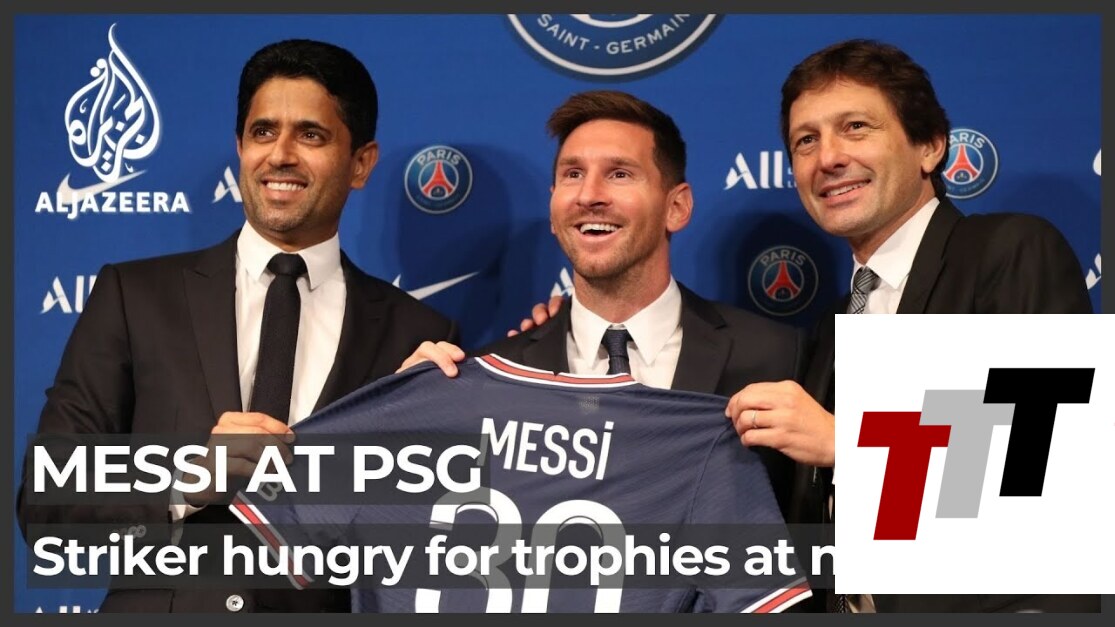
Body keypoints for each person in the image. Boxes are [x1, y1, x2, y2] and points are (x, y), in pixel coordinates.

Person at [17, 39, 458, 612]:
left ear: (361, 163)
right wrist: (185, 482)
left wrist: (415, 450)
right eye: (263, 131)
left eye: (311, 135)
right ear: (240, 147)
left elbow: (433, 554)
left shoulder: (417, 337)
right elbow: (46, 508)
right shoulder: (134, 297)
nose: (281, 155)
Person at [732, 38, 1094, 613]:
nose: (828, 158)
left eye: (855, 127)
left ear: (929, 146)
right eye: (806, 140)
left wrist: (847, 444)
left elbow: (1041, 459)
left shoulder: (1008, 251)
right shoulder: (832, 326)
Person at [399, 90, 807, 518]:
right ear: (553, 207)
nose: (588, 194)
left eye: (619, 174)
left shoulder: (776, 355)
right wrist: (400, 430)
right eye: (573, 174)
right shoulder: (491, 378)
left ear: (676, 207)